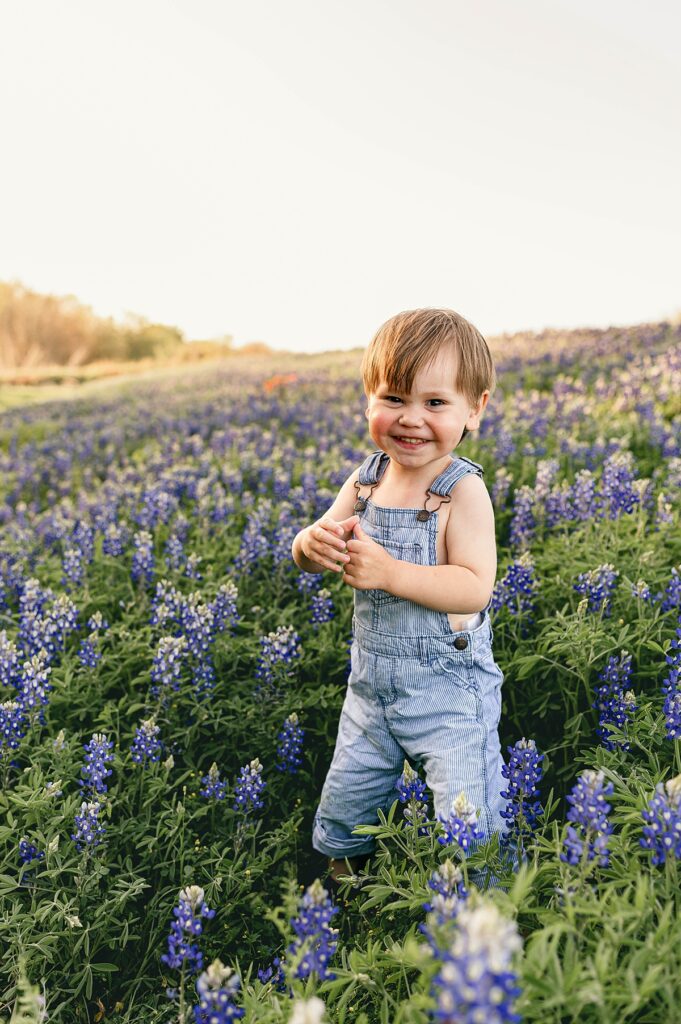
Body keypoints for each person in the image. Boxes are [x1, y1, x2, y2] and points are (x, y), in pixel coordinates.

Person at [291, 307, 513, 892]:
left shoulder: (462, 492)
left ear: (475, 409)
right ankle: (343, 895)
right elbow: (318, 539)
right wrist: (309, 544)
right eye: (394, 398)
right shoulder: (364, 482)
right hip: (370, 686)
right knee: (347, 798)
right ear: (368, 401)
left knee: (467, 815)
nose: (412, 419)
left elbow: (473, 585)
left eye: (435, 404)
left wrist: (390, 571)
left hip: (448, 691)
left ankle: (479, 909)